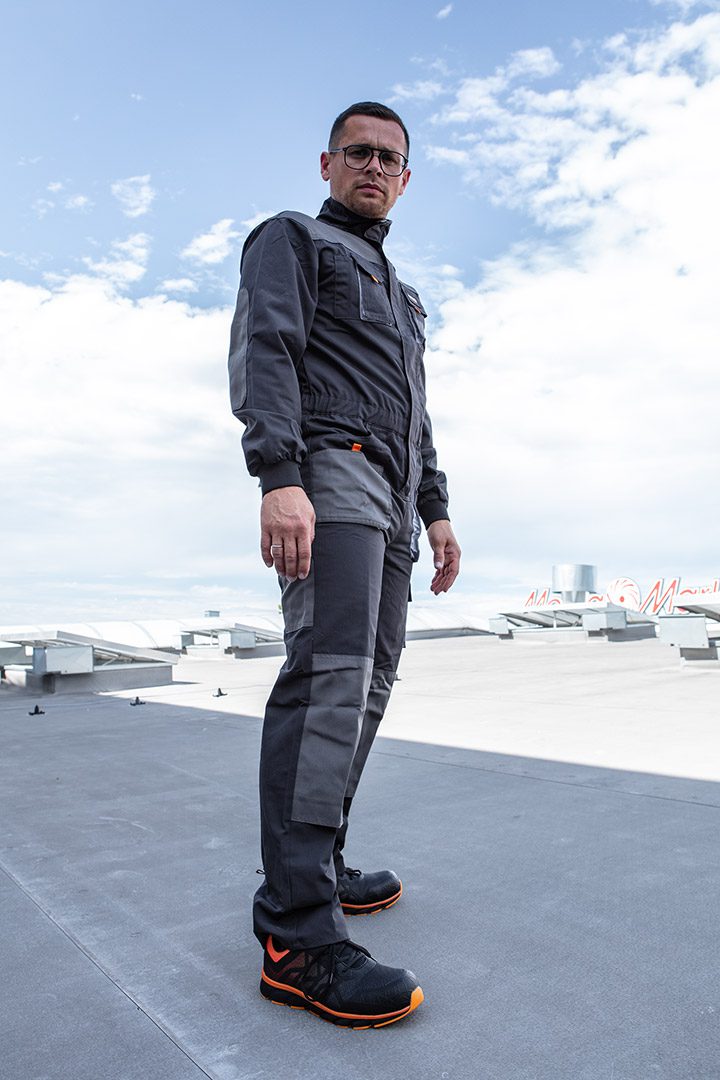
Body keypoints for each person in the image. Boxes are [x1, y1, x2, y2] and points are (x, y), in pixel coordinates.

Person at [228, 101, 461, 1028]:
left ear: (406, 178)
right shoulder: (293, 239)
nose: (373, 166)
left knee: (369, 684)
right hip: (333, 472)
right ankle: (297, 936)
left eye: (389, 158)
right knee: (328, 681)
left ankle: (317, 865)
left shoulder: (401, 295)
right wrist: (279, 477)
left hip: (396, 499)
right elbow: (267, 349)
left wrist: (437, 510)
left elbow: (417, 413)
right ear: (326, 163)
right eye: (357, 152)